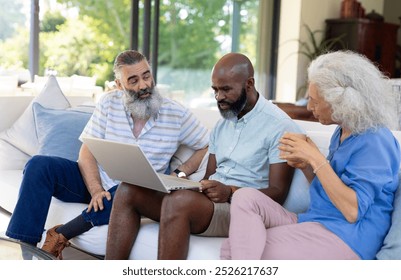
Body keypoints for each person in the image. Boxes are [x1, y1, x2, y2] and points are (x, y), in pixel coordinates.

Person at [6, 50, 210, 259]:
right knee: (39, 166)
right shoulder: (108, 103)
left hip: (135, 192)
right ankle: (27, 253)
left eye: (147, 76)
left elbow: (208, 146)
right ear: (119, 85)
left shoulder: (176, 113)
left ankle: (61, 234)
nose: (143, 85)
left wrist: (181, 172)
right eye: (133, 80)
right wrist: (96, 190)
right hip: (96, 182)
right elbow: (87, 151)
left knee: (126, 190)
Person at [105, 52, 303, 260]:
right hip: (210, 204)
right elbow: (208, 178)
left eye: (226, 89)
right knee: (128, 189)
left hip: (244, 210)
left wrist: (230, 192)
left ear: (249, 84)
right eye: (215, 90)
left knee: (179, 202)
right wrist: (182, 184)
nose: (219, 98)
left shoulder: (280, 126)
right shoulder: (222, 124)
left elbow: (278, 194)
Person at [220, 50, 401, 260]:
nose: (309, 107)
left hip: (349, 237)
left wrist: (315, 157)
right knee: (245, 197)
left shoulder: (375, 139)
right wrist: (306, 164)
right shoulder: (342, 131)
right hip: (317, 219)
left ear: (342, 102)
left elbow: (353, 211)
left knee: (233, 250)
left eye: (315, 101)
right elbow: (329, 190)